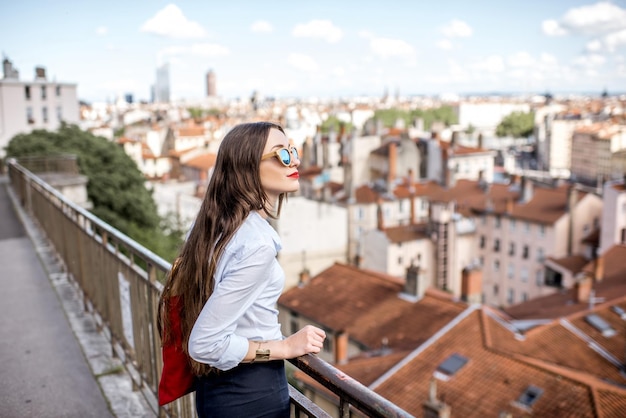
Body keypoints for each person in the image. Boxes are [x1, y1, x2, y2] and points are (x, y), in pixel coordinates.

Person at [158, 121, 326, 418]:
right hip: (251, 393)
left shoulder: (213, 226)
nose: (295, 160)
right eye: (282, 155)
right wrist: (285, 348)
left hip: (216, 390)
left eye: (292, 151)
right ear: (247, 168)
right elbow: (204, 343)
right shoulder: (256, 244)